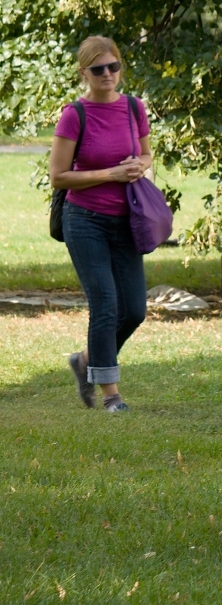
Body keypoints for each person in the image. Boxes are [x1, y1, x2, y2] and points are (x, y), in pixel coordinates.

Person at [50, 36, 152, 413]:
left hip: (127, 220)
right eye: (98, 69)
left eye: (113, 67)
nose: (108, 74)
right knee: (106, 305)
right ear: (84, 73)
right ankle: (111, 396)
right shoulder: (74, 114)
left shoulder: (132, 108)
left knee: (135, 310)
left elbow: (145, 152)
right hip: (85, 220)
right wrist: (112, 172)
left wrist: (139, 166)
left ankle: (85, 360)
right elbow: (58, 176)